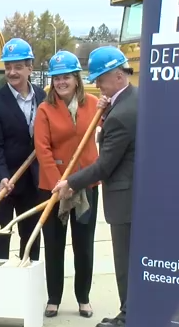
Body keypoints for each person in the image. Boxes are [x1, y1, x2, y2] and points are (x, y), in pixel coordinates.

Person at [53, 46, 137, 327]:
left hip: (125, 198)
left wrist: (71, 183)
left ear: (117, 75)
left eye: (100, 79)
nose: (97, 84)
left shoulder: (122, 114)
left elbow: (105, 165)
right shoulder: (132, 100)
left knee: (125, 261)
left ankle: (128, 316)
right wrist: (105, 109)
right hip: (136, 193)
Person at [34, 50, 105, 318]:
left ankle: (83, 298)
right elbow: (42, 150)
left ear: (76, 78)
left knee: (84, 243)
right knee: (53, 243)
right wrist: (60, 184)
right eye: (56, 78)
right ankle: (53, 298)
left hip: (86, 185)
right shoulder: (45, 109)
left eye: (66, 77)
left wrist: (78, 182)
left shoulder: (95, 105)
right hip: (54, 187)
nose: (61, 82)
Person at [0, 38, 45, 261]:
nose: (12, 72)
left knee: (31, 237)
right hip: (4, 182)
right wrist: (2, 177)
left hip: (33, 181)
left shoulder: (43, 97)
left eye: (18, 67)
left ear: (30, 67)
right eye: (8, 67)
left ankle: (27, 282)